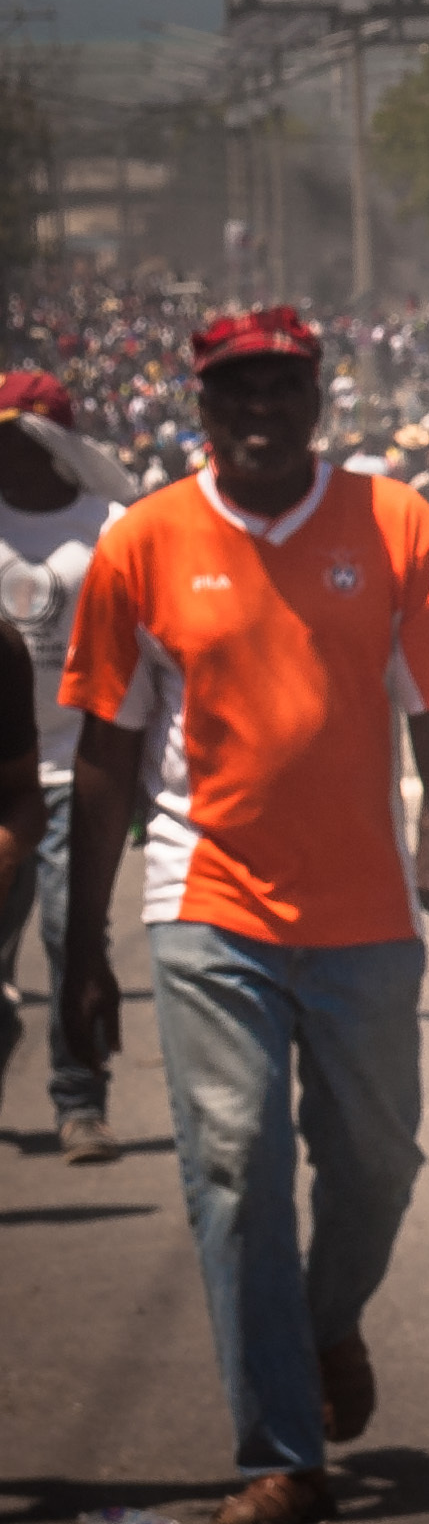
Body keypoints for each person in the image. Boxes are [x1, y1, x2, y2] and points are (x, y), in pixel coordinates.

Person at [57, 305, 429, 1524]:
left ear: (319, 397)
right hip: (206, 904)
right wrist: (83, 943)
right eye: (233, 392)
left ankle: (321, 1322)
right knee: (234, 1160)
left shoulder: (396, 523)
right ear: (201, 405)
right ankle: (280, 1445)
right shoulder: (142, 544)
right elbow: (104, 754)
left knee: (378, 1162)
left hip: (364, 908)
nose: (258, 411)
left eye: (282, 388)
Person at [0, 370, 132, 1162]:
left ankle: (80, 1100)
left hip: (75, 771)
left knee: (67, 933)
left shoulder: (110, 525)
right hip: (4, 773)